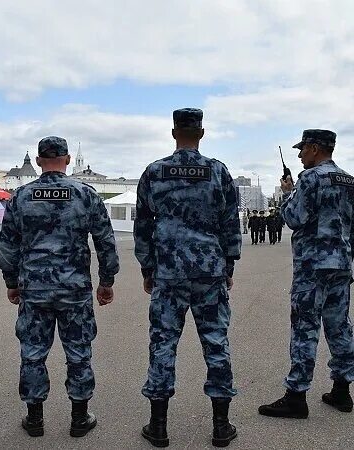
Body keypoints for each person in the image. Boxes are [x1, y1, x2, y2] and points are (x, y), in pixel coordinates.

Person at [0, 136, 119, 438]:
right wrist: (106, 281)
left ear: (38, 161)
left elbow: (8, 245)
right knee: (78, 351)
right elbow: (105, 241)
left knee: (33, 352)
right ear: (66, 160)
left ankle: (35, 418)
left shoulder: (21, 196)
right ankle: (79, 417)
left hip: (34, 288)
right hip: (74, 289)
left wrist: (11, 282)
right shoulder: (85, 194)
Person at [134, 108, 241, 448]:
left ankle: (159, 426)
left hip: (168, 272)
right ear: (202, 133)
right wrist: (228, 268)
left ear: (173, 132)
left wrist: (147, 268)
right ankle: (221, 427)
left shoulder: (155, 172)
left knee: (163, 343)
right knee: (216, 344)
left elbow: (143, 225)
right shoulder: (217, 171)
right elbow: (230, 222)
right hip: (209, 272)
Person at [259, 129, 354, 419]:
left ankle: (296, 396)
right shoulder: (349, 181)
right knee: (339, 326)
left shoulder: (310, 179)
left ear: (314, 148)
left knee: (304, 327)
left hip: (313, 266)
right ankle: (342, 390)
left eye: (303, 149)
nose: (300, 155)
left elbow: (293, 218)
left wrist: (288, 194)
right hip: (341, 264)